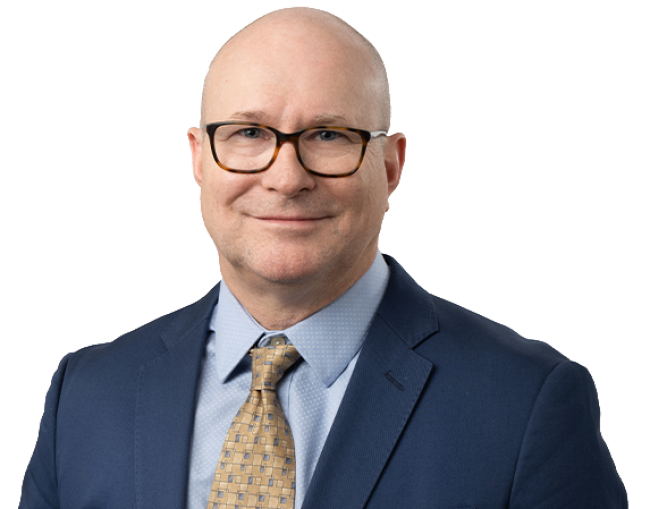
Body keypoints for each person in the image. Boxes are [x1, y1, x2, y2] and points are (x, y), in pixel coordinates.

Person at [19, 7, 626, 509]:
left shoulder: (528, 404)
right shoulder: (87, 393)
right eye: (249, 133)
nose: (286, 178)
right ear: (198, 157)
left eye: (329, 135)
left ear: (391, 166)